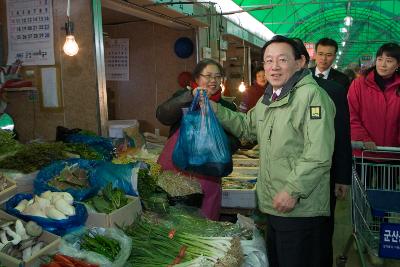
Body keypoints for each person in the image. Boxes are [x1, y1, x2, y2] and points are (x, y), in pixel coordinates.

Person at [203, 35, 336, 266]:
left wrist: (292, 190)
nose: (274, 67)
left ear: (300, 63)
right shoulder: (269, 99)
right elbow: (247, 127)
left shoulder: (312, 96)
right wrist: (214, 108)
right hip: (274, 204)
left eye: (282, 60)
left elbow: (319, 154)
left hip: (300, 209)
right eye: (268, 60)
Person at [293, 37, 353, 267]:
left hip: (326, 168)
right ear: (313, 55)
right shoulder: (291, 84)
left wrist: (342, 176)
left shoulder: (338, 85)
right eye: (321, 54)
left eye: (330, 55)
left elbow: (341, 133)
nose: (325, 59)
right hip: (296, 167)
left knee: (323, 224)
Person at [156, 59, 239, 221]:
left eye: (217, 76)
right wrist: (189, 96)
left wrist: (212, 147)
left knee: (204, 221)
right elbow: (163, 115)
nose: (213, 80)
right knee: (173, 220)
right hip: (175, 172)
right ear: (196, 79)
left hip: (209, 174)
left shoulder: (227, 108)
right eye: (208, 75)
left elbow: (235, 141)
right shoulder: (182, 97)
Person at [348, 43, 400, 152]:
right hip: (364, 151)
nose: (383, 65)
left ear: (398, 64)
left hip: (394, 152)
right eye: (380, 59)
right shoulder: (359, 84)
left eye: (389, 61)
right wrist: (363, 139)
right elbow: (351, 115)